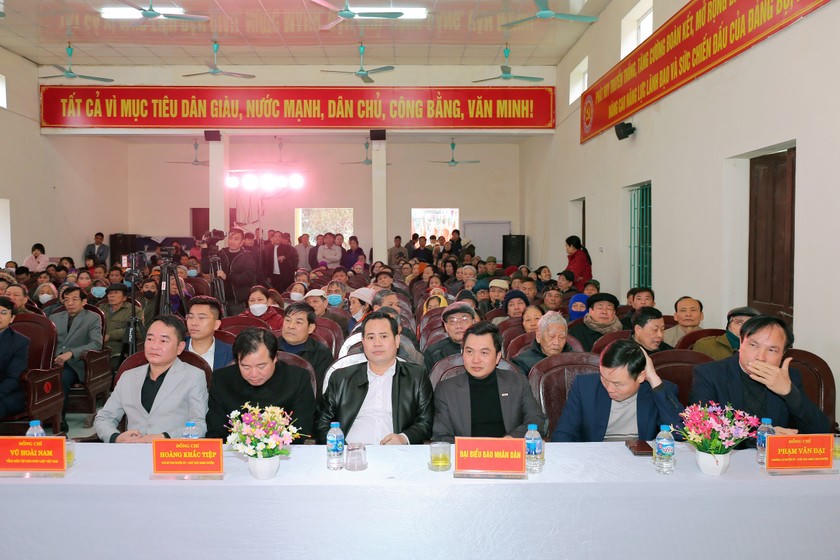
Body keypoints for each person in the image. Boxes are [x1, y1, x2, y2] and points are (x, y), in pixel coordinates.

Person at [691, 315, 829, 438]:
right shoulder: (710, 374)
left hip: (775, 458)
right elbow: (703, 427)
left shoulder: (789, 377)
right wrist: (761, 435)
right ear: (741, 343)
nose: (761, 357)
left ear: (783, 353)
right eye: (753, 345)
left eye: (772, 350)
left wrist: (789, 393)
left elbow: (821, 431)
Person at [315, 311, 433, 445]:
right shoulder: (341, 377)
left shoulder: (416, 376)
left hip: (396, 451)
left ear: (396, 341)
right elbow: (322, 422)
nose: (377, 343)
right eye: (371, 337)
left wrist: (404, 438)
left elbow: (426, 422)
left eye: (384, 336)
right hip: (348, 452)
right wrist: (341, 446)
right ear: (363, 342)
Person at [94, 315, 208, 443]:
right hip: (133, 449)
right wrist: (116, 437)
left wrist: (164, 437)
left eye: (163, 341)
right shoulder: (128, 376)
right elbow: (104, 418)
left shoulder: (193, 376)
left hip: (170, 451)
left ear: (180, 347)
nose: (154, 346)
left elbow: (199, 425)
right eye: (150, 339)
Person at [432, 322, 545, 442]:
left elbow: (535, 420)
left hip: (506, 450)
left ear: (497, 357)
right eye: (469, 352)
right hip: (467, 453)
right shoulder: (446, 389)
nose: (476, 360)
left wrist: (511, 439)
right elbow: (441, 435)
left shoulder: (517, 382)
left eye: (484, 353)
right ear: (462, 354)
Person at [552, 339, 683, 442]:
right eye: (604, 379)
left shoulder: (658, 390)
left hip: (641, 461)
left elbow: (680, 434)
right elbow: (563, 434)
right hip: (595, 458)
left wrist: (653, 378)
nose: (609, 389)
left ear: (641, 376)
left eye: (617, 384)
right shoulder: (585, 386)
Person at [205, 328, 315, 440]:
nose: (254, 374)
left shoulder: (297, 379)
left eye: (261, 366)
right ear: (237, 361)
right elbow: (216, 431)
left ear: (275, 358)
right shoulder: (221, 380)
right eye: (246, 367)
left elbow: (301, 430)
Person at [52, 286, 103, 402]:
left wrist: (71, 353)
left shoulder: (93, 318)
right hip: (53, 362)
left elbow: (96, 344)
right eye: (66, 300)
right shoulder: (54, 317)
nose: (70, 303)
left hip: (76, 363)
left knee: (61, 378)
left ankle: (59, 413)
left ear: (84, 301)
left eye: (74, 299)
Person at [277, 302, 333, 395]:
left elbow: (318, 391)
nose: (291, 326)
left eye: (298, 322)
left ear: (310, 328)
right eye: (287, 320)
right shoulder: (269, 346)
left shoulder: (321, 354)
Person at [423, 304, 477, 372]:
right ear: (445, 326)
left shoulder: (486, 347)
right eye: (452, 321)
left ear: (474, 322)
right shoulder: (433, 353)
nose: (459, 325)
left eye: (464, 319)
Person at [217, 228, 259, 316]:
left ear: (242, 241)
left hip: (238, 301)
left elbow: (248, 278)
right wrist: (205, 248)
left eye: (236, 239)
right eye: (230, 238)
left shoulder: (247, 256)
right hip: (220, 299)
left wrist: (227, 277)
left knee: (237, 323)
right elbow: (205, 269)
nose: (232, 241)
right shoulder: (221, 253)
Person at [184, 296, 233, 371]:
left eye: (201, 318)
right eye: (190, 317)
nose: (193, 323)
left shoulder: (231, 354)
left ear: (216, 324)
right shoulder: (176, 350)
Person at [692, 306, 760, 360]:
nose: (744, 327)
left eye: (750, 324)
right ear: (729, 325)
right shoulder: (705, 345)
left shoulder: (761, 348)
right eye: (739, 322)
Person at [0, 296, 29, 419]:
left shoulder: (20, 342)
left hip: (8, 393)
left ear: (12, 318)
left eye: (3, 313)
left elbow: (13, 378)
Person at [99, 283, 134, 371]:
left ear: (124, 297)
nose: (111, 296)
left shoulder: (133, 310)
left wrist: (110, 335)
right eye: (110, 293)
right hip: (98, 347)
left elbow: (135, 330)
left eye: (116, 293)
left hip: (118, 350)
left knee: (112, 367)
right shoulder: (101, 308)